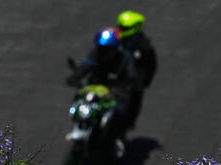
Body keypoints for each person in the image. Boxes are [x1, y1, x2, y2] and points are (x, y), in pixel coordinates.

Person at [66, 27, 141, 157]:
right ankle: (80, 126)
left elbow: (132, 76)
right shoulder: (96, 54)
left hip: (117, 92)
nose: (104, 52)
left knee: (119, 112)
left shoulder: (126, 57)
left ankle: (116, 138)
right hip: (96, 88)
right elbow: (85, 66)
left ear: (115, 48)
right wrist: (74, 77)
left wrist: (126, 85)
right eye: (101, 48)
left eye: (107, 49)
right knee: (81, 101)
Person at [115, 11, 156, 133]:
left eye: (124, 28)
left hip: (131, 81)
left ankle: (125, 125)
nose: (120, 30)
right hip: (114, 75)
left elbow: (151, 65)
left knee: (133, 99)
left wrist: (143, 81)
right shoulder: (115, 39)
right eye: (120, 26)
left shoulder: (144, 47)